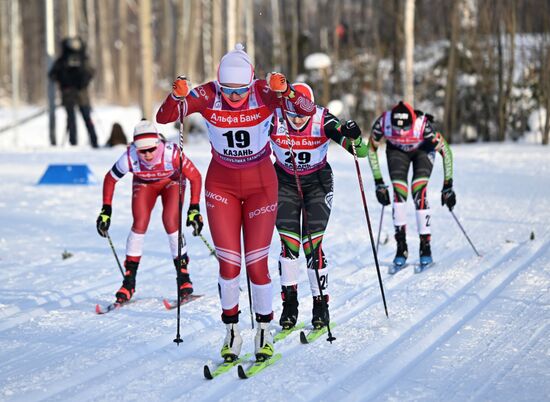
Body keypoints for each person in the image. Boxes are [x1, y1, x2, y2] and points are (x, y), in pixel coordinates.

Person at [156, 44, 316, 362]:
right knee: (229, 265)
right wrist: (176, 97)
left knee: (256, 264)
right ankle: (231, 330)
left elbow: (307, 110)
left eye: (240, 90)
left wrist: (285, 91)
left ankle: (264, 330)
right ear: (219, 82)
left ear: (251, 81)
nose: (233, 96)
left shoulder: (263, 91)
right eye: (228, 90)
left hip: (260, 185)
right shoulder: (207, 94)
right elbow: (164, 118)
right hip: (222, 185)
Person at [270, 83, 367, 330]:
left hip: (317, 183)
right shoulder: (274, 118)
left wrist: (356, 136)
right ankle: (289, 305)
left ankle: (320, 304)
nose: (298, 120)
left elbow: (361, 152)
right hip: (284, 182)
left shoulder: (322, 119)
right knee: (289, 245)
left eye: (302, 114)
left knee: (312, 244)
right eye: (292, 115)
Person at [96, 120, 203, 303]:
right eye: (142, 151)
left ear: (157, 144)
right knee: (140, 222)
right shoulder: (130, 156)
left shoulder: (171, 152)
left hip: (172, 182)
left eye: (151, 149)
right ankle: (129, 282)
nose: (147, 155)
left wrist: (194, 208)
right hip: (145, 184)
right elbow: (110, 178)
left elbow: (195, 177)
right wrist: (106, 210)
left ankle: (183, 278)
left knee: (170, 220)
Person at [367, 101, 456, 271]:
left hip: (423, 150)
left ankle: (425, 246)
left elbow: (446, 152)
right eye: (397, 129)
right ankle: (401, 246)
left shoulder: (423, 125)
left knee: (418, 190)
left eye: (404, 128)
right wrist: (379, 182)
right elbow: (371, 149)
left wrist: (448, 185)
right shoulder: (383, 122)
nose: (400, 132)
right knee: (399, 192)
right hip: (397, 151)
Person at [49, 37, 99, 148]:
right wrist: (65, 81)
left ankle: (93, 141)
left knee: (86, 117)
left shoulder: (82, 59)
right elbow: (53, 74)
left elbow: (91, 72)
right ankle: (75, 142)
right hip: (71, 94)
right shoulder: (63, 60)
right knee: (72, 119)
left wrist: (82, 81)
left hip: (80, 94)